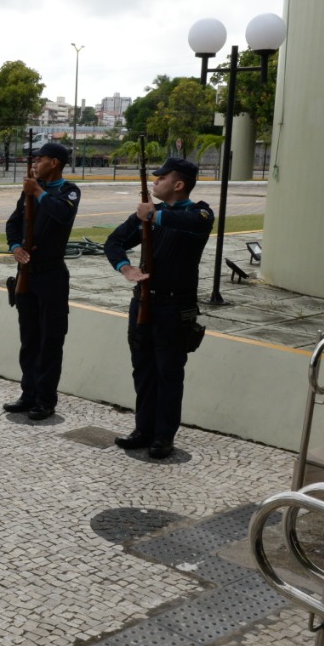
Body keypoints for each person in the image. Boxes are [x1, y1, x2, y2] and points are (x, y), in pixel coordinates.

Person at [103, 158, 214, 458]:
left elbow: (194, 223)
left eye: (161, 178)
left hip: (175, 307)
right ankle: (144, 428)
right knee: (143, 368)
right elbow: (113, 242)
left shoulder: (198, 212)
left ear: (178, 184)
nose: (155, 182)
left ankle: (164, 435)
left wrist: (153, 215)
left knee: (169, 372)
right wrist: (125, 267)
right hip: (143, 302)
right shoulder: (150, 213)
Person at [3, 142, 80, 419]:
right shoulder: (28, 192)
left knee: (50, 340)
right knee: (29, 339)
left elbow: (62, 214)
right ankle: (28, 393)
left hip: (51, 276)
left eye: (41, 158)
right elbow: (13, 224)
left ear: (55, 162)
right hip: (27, 275)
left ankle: (46, 400)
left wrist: (37, 192)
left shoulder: (68, 191)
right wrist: (15, 247)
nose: (35, 163)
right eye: (34, 159)